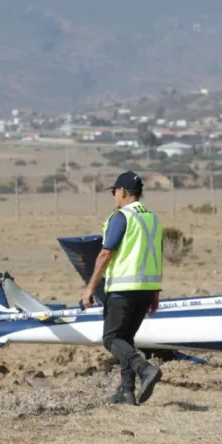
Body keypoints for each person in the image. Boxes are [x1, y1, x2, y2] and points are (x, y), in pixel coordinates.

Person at [81, 171, 163, 406]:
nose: (114, 196)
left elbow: (106, 253)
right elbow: (157, 254)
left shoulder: (121, 217)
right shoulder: (153, 218)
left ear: (124, 192)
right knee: (126, 338)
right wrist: (155, 292)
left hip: (124, 288)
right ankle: (126, 391)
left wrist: (90, 289)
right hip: (147, 289)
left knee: (111, 338)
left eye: (115, 191)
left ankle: (144, 369)